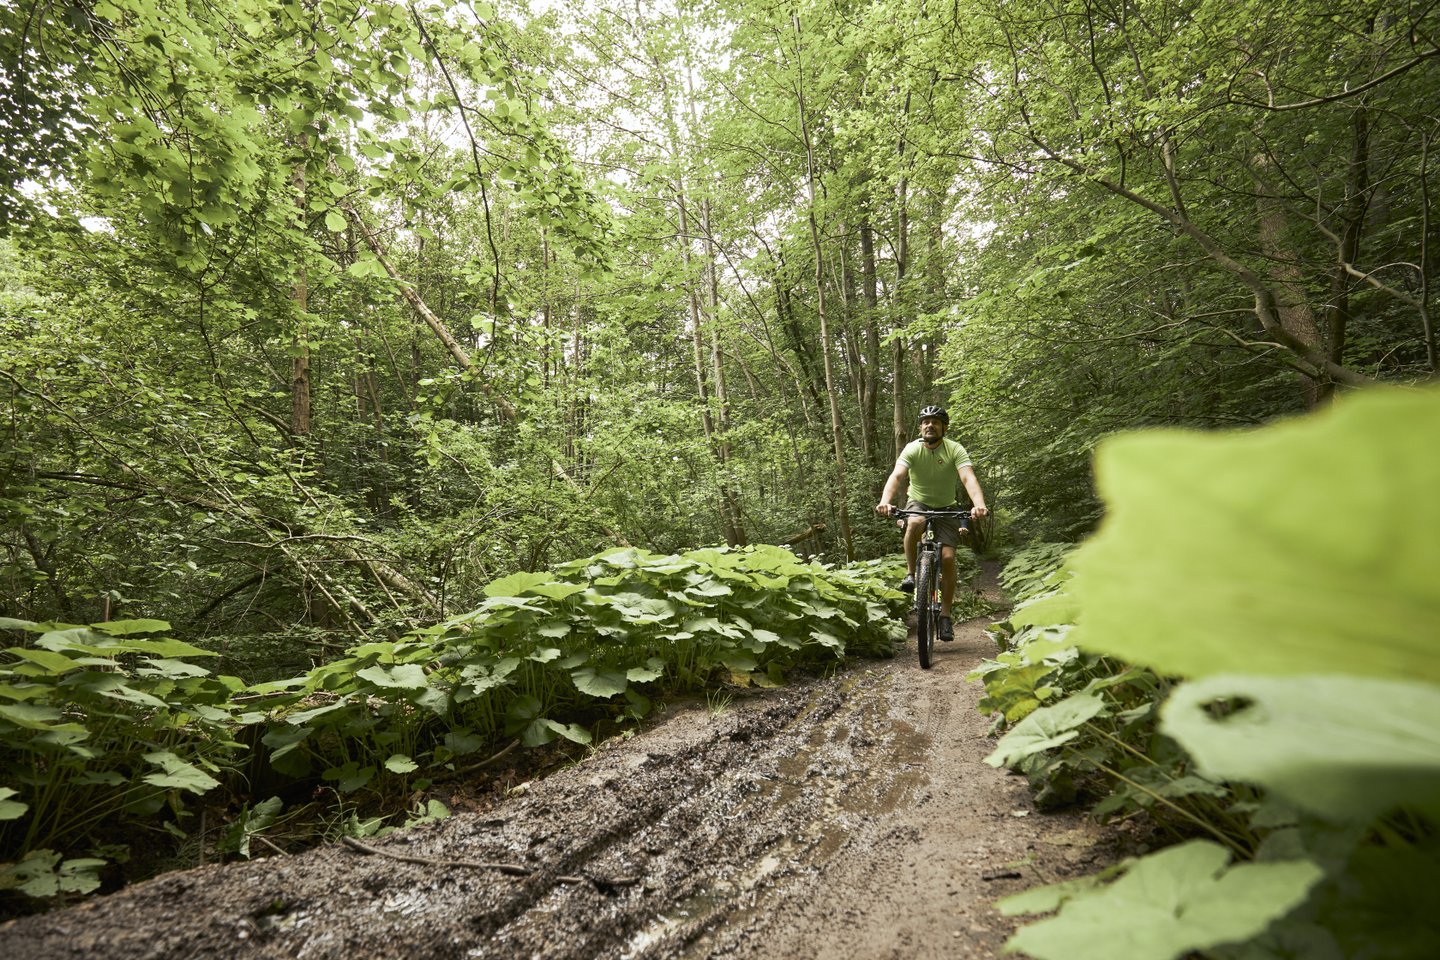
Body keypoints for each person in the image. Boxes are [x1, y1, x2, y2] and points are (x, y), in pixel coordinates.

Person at [875, 405, 989, 642]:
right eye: (926, 421)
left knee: (947, 558)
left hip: (947, 507)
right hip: (919, 501)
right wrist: (885, 501)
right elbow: (897, 476)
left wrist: (979, 504)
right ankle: (911, 574)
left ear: (944, 428)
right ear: (920, 427)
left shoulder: (955, 449)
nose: (930, 425)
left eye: (935, 422)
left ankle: (945, 616)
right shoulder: (912, 449)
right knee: (915, 521)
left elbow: (968, 477)